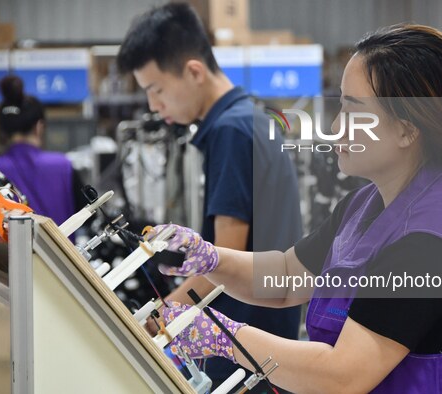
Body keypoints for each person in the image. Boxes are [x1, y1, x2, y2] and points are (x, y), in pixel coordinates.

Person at [151, 24, 442, 393]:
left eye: (352, 110)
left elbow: (343, 376)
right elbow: (287, 276)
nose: (335, 126)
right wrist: (213, 259)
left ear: (407, 130)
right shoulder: (370, 202)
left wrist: (226, 338)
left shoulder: (429, 242)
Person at [116, 4, 303, 391]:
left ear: (194, 71)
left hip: (239, 346)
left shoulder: (231, 132)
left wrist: (152, 319)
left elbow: (219, 265)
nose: (153, 105)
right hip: (264, 341)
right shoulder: (251, 118)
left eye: (156, 89)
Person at [0, 75, 86, 226]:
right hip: (59, 250)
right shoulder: (63, 166)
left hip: (6, 250)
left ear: (3, 132)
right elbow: (87, 214)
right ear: (39, 127)